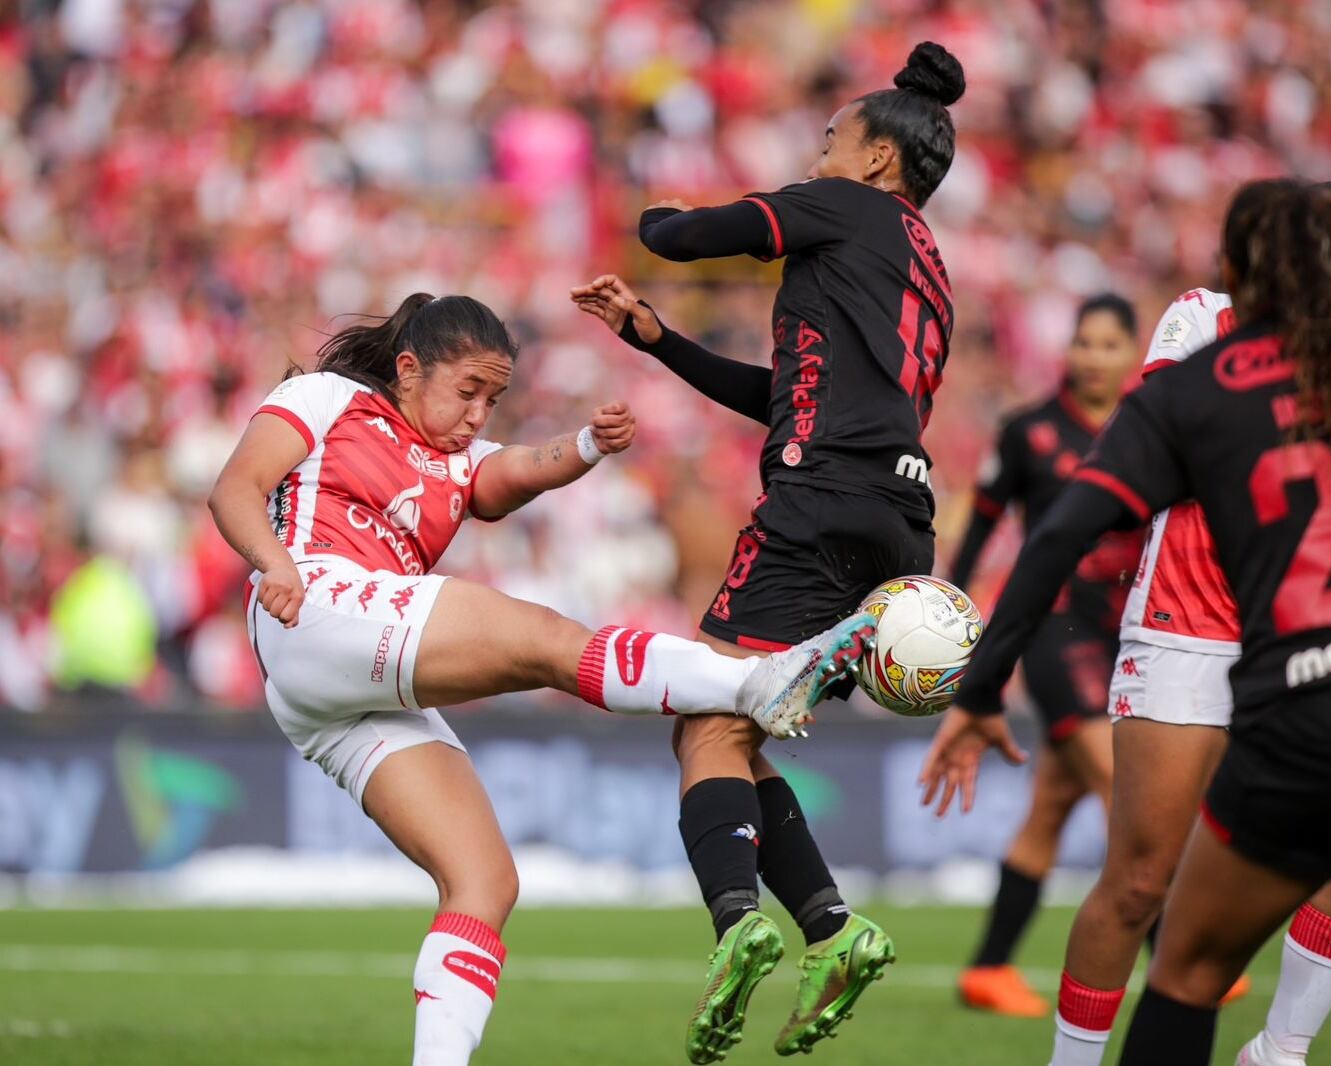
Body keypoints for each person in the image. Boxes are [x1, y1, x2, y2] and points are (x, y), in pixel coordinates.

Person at [207, 293, 878, 1066]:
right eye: (467, 391)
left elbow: (518, 470)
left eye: (493, 398)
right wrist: (274, 561)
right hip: (314, 604)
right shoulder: (326, 398)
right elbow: (236, 486)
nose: (476, 412)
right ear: (407, 368)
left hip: (329, 689)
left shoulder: (458, 459)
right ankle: (756, 683)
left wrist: (587, 444)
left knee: (484, 883)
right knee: (545, 640)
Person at [917, 178, 1331, 1066]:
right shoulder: (1203, 320)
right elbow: (1181, 454)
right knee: (1142, 877)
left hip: (1312, 638)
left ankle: (1279, 1052)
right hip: (1189, 625)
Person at [571, 39, 963, 1063]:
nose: (818, 148)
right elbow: (784, 392)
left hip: (819, 505)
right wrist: (658, 339)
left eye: (832, 137)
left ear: (878, 159)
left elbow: (703, 231)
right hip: (895, 527)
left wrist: (643, 217)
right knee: (740, 729)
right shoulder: (926, 264)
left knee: (703, 721)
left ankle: (738, 918)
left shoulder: (843, 206)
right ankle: (834, 929)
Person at [950, 294, 1142, 1017]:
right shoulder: (1029, 431)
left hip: (1126, 632)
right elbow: (979, 536)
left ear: (1131, 353)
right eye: (1081, 342)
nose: (1091, 356)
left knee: (1052, 807)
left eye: (1106, 344)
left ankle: (989, 969)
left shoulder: (1144, 429)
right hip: (1054, 635)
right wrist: (949, 616)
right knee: (1129, 798)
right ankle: (1178, 959)